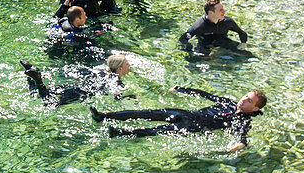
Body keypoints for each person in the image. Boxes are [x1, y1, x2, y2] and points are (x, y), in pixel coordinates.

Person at [92, 88, 267, 152]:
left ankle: (120, 133)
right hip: (186, 114)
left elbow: (242, 137)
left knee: (156, 131)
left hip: (192, 126)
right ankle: (105, 116)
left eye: (249, 100)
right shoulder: (228, 102)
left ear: (255, 109)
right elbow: (206, 95)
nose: (244, 99)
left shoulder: (243, 121)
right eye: (246, 96)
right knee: (145, 113)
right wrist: (183, 90)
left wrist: (238, 146)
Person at [20, 54, 133, 106]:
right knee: (48, 102)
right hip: (81, 93)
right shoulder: (117, 82)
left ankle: (31, 74)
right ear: (120, 68)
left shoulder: (103, 72)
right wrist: (130, 96)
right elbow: (117, 99)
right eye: (127, 64)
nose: (129, 65)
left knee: (38, 93)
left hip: (77, 85)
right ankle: (37, 79)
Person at [179, 0, 249, 51]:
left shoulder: (227, 22)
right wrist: (190, 47)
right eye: (220, 10)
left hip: (222, 42)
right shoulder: (199, 25)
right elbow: (183, 39)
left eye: (223, 9)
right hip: (205, 46)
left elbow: (241, 33)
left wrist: (243, 43)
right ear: (210, 13)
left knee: (246, 56)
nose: (224, 11)